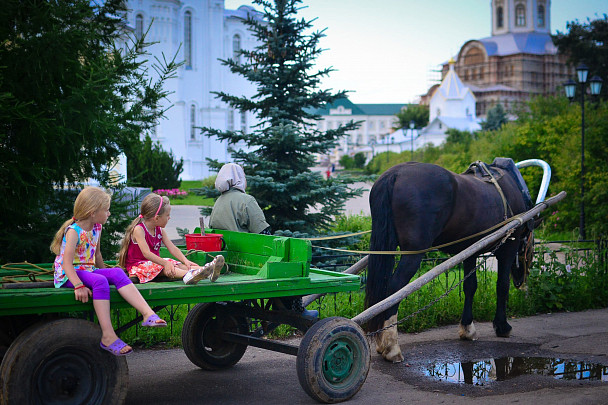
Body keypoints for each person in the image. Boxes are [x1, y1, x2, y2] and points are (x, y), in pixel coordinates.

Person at [51, 186, 167, 357]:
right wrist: (78, 285)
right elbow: (67, 264)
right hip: (69, 274)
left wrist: (109, 273)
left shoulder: (97, 227)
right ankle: (108, 336)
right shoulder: (73, 232)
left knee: (117, 273)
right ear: (92, 212)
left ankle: (147, 314)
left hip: (87, 270)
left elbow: (96, 255)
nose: (109, 213)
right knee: (100, 281)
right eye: (106, 210)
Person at [209, 163, 318, 319]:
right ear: (239, 178)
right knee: (290, 265)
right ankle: (295, 309)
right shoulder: (246, 200)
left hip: (228, 260)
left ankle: (282, 304)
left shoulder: (218, 202)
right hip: (250, 262)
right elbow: (264, 235)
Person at [118, 193, 224, 285]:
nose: (169, 218)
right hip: (138, 268)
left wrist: (185, 260)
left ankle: (207, 270)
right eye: (167, 215)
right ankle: (188, 275)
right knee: (164, 265)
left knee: (176, 264)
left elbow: (172, 248)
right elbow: (146, 254)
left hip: (154, 265)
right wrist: (165, 263)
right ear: (157, 218)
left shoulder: (159, 230)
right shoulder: (139, 229)